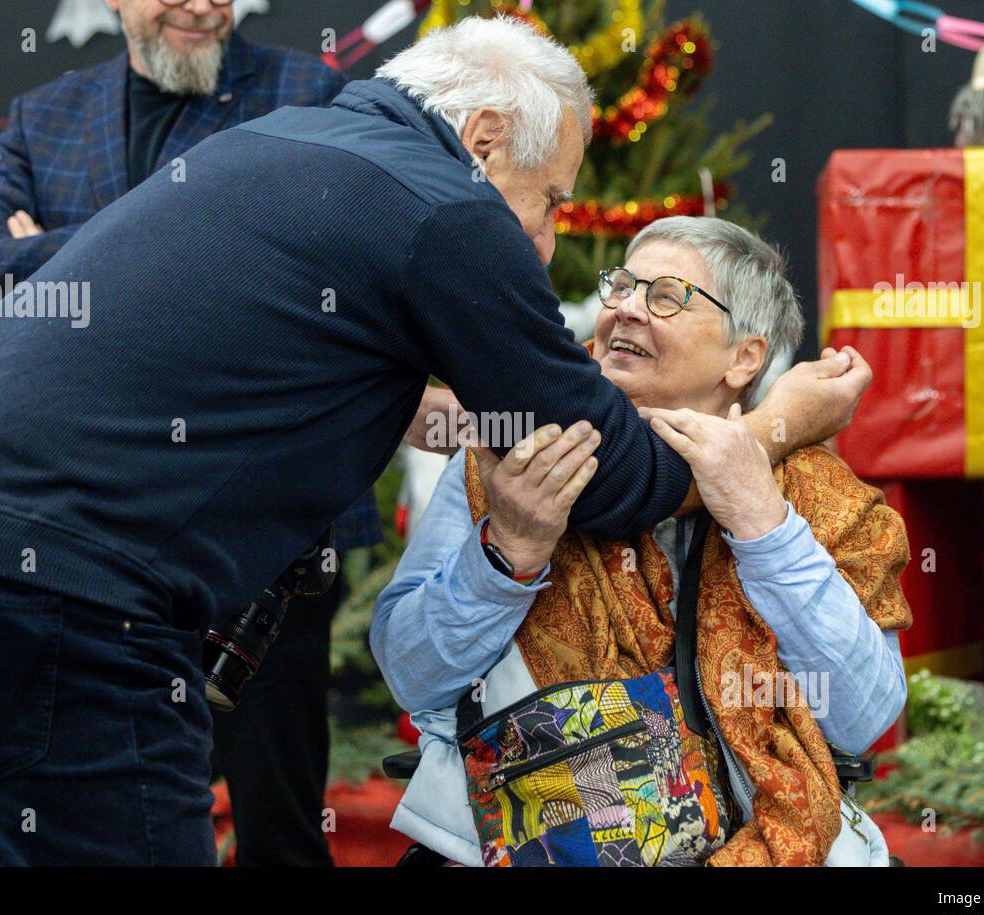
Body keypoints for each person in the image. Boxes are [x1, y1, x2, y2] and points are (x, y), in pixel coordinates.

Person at [0, 16, 871, 865]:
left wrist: (387, 391)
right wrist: (778, 423)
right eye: (551, 197)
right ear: (484, 139)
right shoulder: (443, 205)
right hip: (57, 602)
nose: (548, 239)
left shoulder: (275, 144)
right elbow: (620, 477)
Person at [0, 0, 374, 867]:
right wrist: (165, 254)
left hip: (264, 536)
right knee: (99, 809)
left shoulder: (309, 94)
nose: (201, 5)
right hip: (86, 526)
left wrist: (62, 255)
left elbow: (331, 275)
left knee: (279, 825)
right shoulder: (48, 114)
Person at [372, 217, 912, 866]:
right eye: (621, 287)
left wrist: (763, 526)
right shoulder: (513, 465)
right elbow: (411, 675)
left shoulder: (814, 494)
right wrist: (507, 554)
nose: (625, 308)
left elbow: (864, 716)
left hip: (758, 843)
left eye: (665, 297)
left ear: (745, 357)